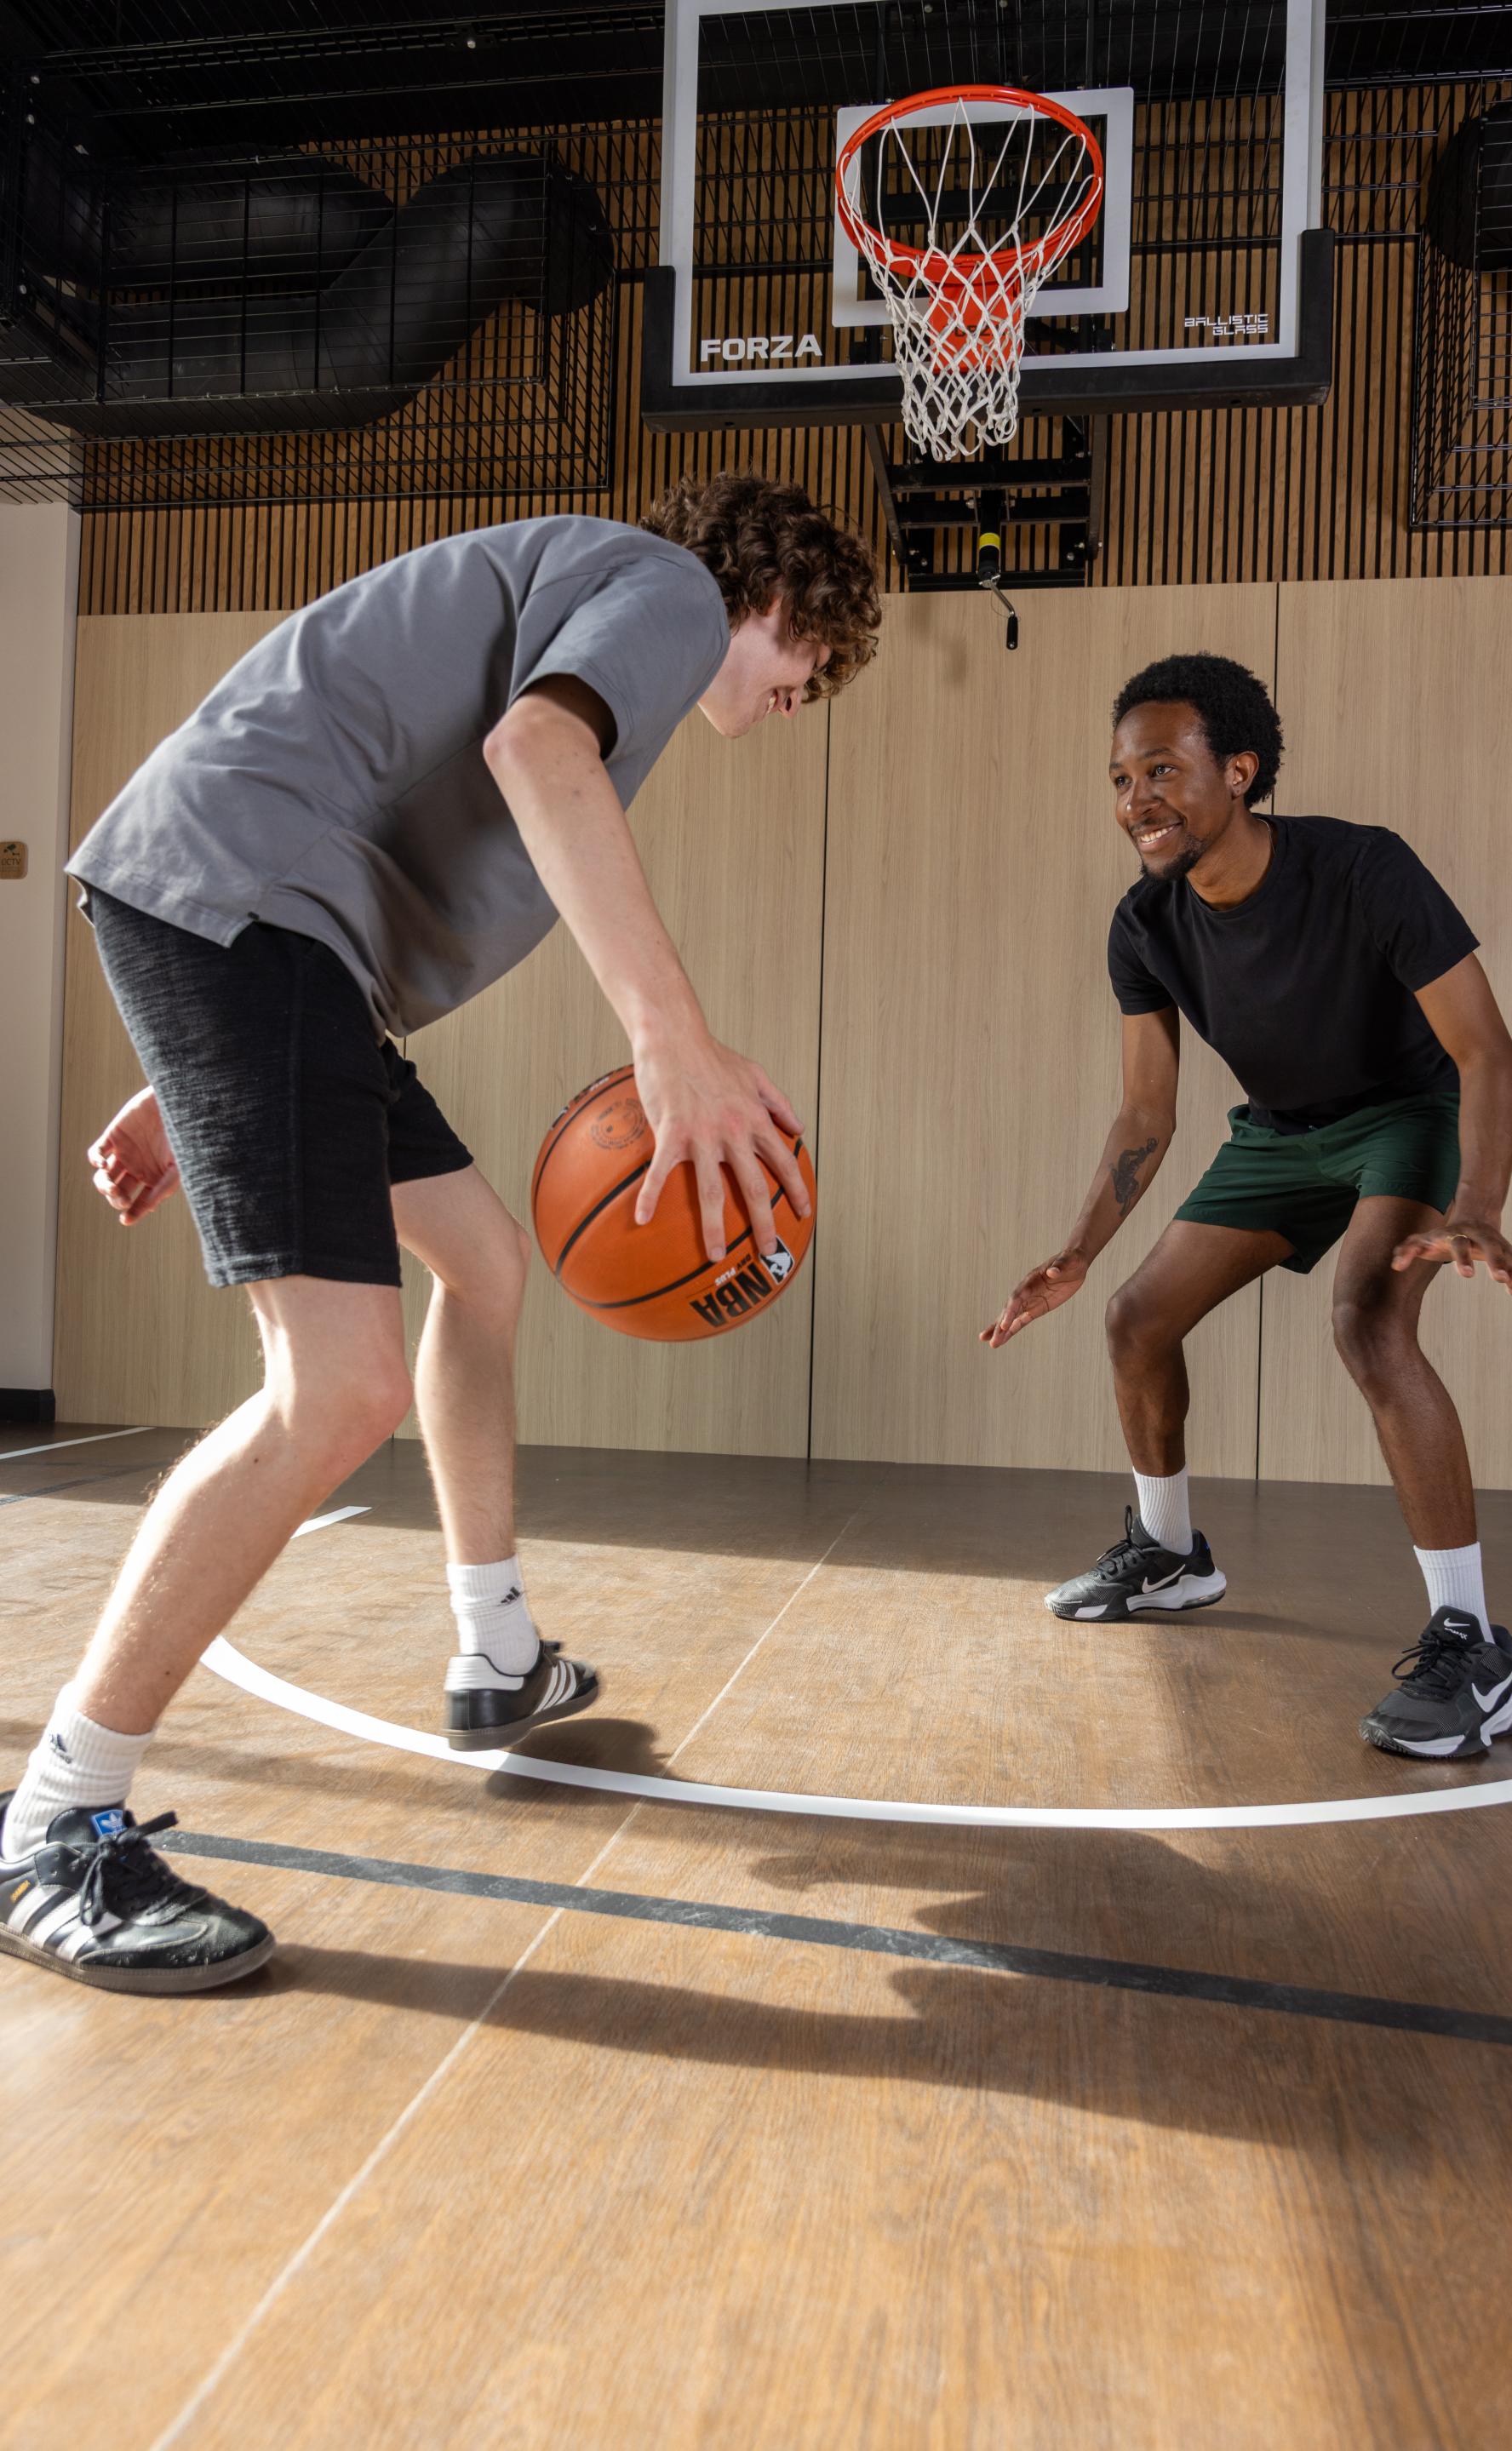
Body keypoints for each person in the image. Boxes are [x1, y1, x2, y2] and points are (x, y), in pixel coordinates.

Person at [0, 472, 880, 1993]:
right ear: (780, 600)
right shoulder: (670, 596)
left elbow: (340, 791)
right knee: (330, 1391)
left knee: (483, 1256)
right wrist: (670, 1035)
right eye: (818, 662)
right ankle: (58, 1821)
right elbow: (534, 751)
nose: (807, 695)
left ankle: (494, 1648)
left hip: (271, 940)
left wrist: (180, 1079)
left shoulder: (596, 596)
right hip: (250, 920)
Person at [983, 653, 1512, 1765]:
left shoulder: (1366, 871)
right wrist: (1081, 1249)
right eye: (1121, 777)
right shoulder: (1147, 926)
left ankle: (1476, 1645)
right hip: (1280, 1135)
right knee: (1135, 1319)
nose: (1137, 798)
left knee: (1369, 1322)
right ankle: (1173, 1554)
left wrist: (1476, 1202)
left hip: (1401, 1118)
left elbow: (1488, 1054)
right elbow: (1147, 1112)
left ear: (1238, 771)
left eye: (1163, 770)